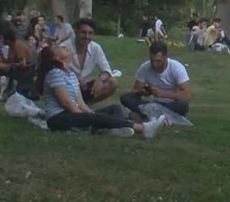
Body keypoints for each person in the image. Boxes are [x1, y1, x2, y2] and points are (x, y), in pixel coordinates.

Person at [38, 46, 167, 137]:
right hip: (58, 118)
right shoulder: (54, 73)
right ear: (56, 57)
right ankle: (144, 128)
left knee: (114, 109)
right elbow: (67, 104)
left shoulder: (71, 74)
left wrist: (90, 113)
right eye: (60, 47)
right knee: (97, 118)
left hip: (72, 114)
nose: (65, 47)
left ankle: (114, 129)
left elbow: (79, 101)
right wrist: (90, 118)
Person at [121, 41, 191, 119]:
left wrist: (162, 94)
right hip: (153, 103)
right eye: (152, 60)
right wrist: (143, 92)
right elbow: (134, 91)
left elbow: (186, 95)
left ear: (166, 57)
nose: (154, 64)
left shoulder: (176, 68)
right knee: (125, 98)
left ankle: (149, 114)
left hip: (171, 103)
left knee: (183, 104)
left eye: (158, 61)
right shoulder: (145, 67)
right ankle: (160, 115)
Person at [67, 18, 117, 104]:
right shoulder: (65, 47)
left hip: (85, 87)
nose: (87, 36)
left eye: (90, 33)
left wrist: (100, 79)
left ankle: (85, 106)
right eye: (83, 32)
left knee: (113, 82)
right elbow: (56, 73)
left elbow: (107, 70)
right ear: (76, 32)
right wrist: (74, 79)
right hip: (68, 87)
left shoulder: (95, 48)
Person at [0, 28, 33, 101]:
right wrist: (0, 54)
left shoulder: (18, 46)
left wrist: (12, 64)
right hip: (14, 67)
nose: (1, 41)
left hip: (23, 69)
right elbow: (7, 62)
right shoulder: (11, 47)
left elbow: (23, 64)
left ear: (7, 39)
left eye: (2, 39)